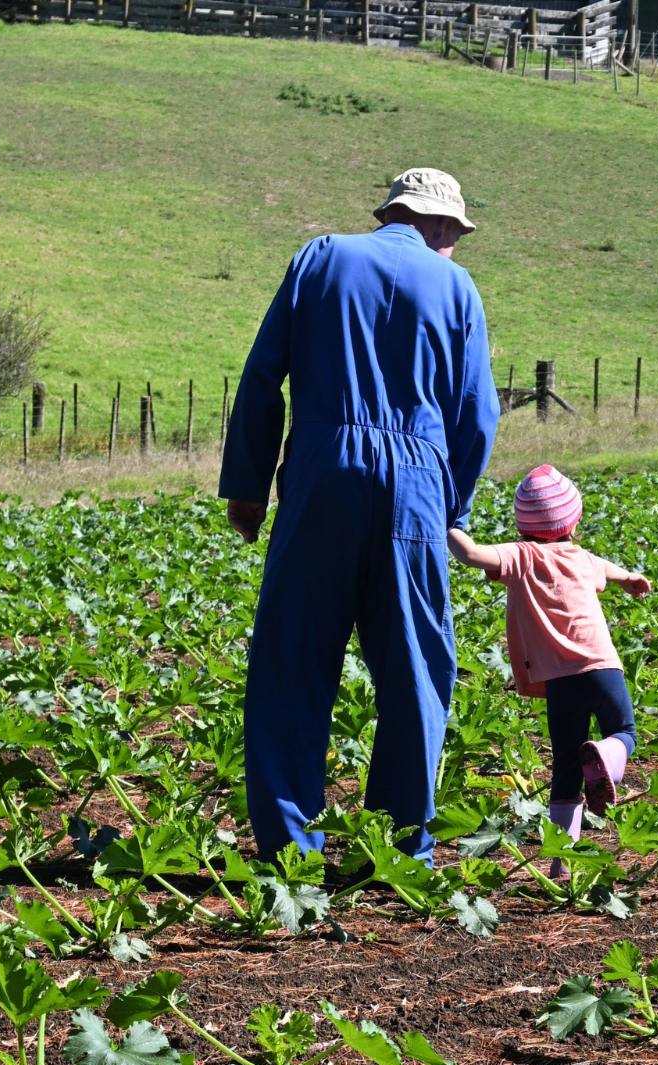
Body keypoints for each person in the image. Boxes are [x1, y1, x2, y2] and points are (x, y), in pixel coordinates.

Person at [219, 168, 500, 867]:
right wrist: (450, 506)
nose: (455, 247)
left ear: (393, 214)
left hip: (321, 472)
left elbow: (262, 377)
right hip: (416, 485)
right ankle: (400, 851)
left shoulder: (321, 256)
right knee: (414, 669)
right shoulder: (456, 288)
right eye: (456, 236)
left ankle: (291, 852)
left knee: (293, 664)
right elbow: (477, 416)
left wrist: (248, 489)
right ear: (438, 225)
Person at [446, 465, 651, 875]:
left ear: (523, 525)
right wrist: (629, 578)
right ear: (573, 524)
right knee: (624, 732)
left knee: (565, 768)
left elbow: (469, 554)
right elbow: (604, 567)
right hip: (599, 667)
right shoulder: (581, 557)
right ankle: (605, 754)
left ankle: (560, 862)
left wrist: (446, 519)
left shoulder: (519, 556)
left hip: (558, 680)